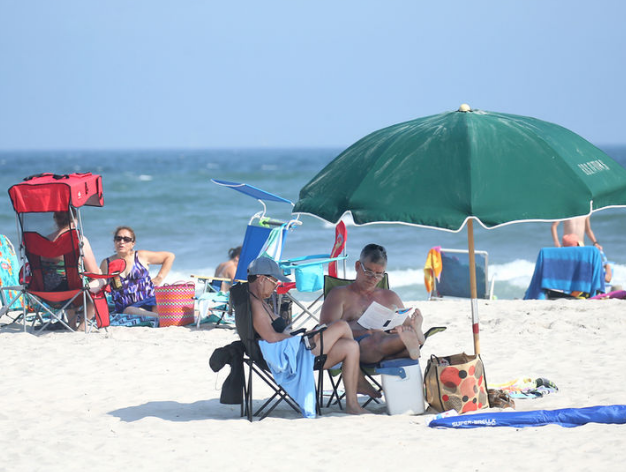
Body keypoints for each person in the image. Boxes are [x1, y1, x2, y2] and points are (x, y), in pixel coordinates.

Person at [248, 256, 369, 415]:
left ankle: (352, 405)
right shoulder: (256, 305)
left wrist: (304, 334)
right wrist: (299, 338)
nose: (276, 287)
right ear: (262, 279)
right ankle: (359, 380)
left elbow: (278, 333)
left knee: (350, 346)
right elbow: (271, 338)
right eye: (274, 282)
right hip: (293, 356)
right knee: (342, 325)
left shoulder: (259, 301)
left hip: (295, 349)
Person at [320, 244, 426, 366]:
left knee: (403, 336)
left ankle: (412, 338)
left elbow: (405, 326)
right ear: (357, 266)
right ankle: (409, 342)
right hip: (356, 347)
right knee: (375, 339)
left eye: (379, 274)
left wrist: (412, 325)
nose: (373, 278)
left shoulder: (390, 296)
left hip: (387, 346)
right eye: (369, 272)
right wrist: (364, 332)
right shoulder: (339, 295)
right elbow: (325, 330)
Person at [41, 210, 101, 329]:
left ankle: (71, 324)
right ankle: (83, 325)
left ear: (55, 219)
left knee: (66, 278)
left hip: (46, 292)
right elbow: (94, 273)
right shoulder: (79, 239)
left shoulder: (44, 241)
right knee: (100, 279)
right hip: (74, 293)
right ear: (75, 220)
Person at [100, 226, 175, 317]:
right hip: (128, 306)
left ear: (133, 243)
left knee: (158, 304)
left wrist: (159, 277)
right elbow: (102, 285)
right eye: (118, 238)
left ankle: (159, 317)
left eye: (126, 239)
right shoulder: (107, 263)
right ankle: (161, 318)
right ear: (114, 241)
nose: (121, 242)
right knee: (130, 310)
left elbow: (169, 256)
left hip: (150, 299)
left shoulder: (140, 256)